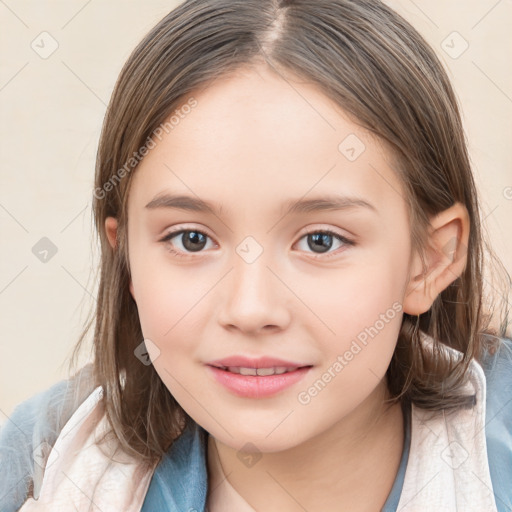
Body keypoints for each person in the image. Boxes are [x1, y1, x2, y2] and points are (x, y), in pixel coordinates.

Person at [1, 0, 511, 510]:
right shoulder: (42, 465)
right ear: (127, 256)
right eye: (191, 239)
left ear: (430, 260)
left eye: (321, 241)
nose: (250, 309)